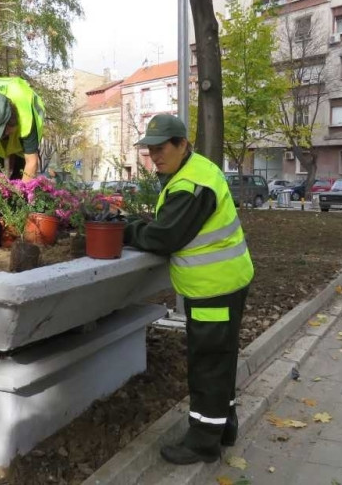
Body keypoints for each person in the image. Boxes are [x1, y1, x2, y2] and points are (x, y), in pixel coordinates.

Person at [123, 114, 254, 465]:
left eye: (161, 148)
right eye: (150, 150)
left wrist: (128, 230)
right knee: (221, 360)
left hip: (214, 288)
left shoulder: (190, 185)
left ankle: (202, 443)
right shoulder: (196, 170)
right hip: (225, 282)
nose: (155, 155)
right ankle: (224, 428)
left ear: (182, 144)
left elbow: (164, 237)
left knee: (208, 363)